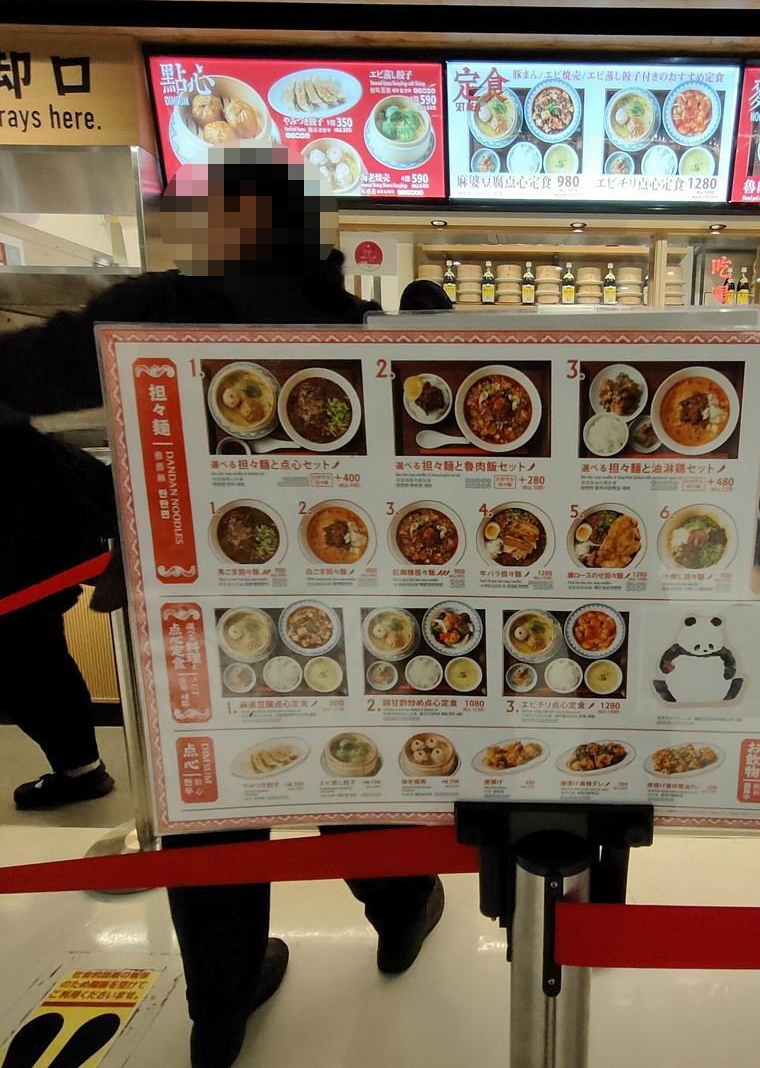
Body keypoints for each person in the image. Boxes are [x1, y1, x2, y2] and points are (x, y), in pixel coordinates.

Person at [0, 148, 443, 1068]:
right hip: (340, 607)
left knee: (212, 801)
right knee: (345, 767)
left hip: (191, 614)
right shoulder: (350, 323)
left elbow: (21, 377)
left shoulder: (158, 309)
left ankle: (222, 1009)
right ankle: (400, 913)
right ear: (308, 235)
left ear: (213, 231)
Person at [0, 401, 116, 808]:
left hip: (22, 543)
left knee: (26, 660)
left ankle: (81, 771)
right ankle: (81, 770)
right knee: (35, 655)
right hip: (38, 534)